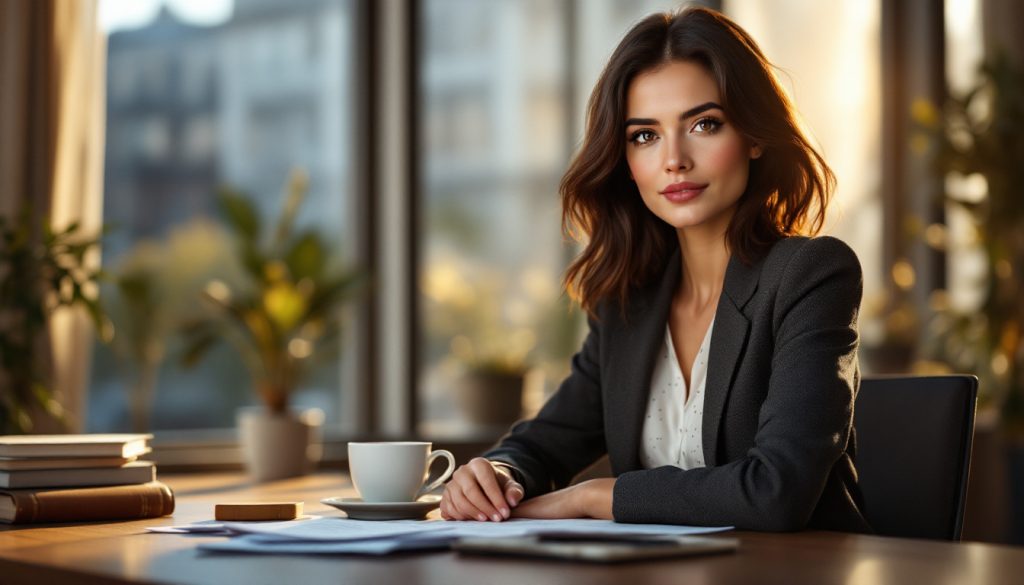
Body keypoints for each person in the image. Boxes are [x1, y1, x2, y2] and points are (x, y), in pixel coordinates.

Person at [439, 5, 871, 533]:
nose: (674, 159)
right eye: (645, 135)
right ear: (624, 159)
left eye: (704, 124)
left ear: (755, 136)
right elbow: (543, 443)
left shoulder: (811, 274)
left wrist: (594, 498)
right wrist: (494, 474)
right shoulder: (628, 301)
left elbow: (775, 491)